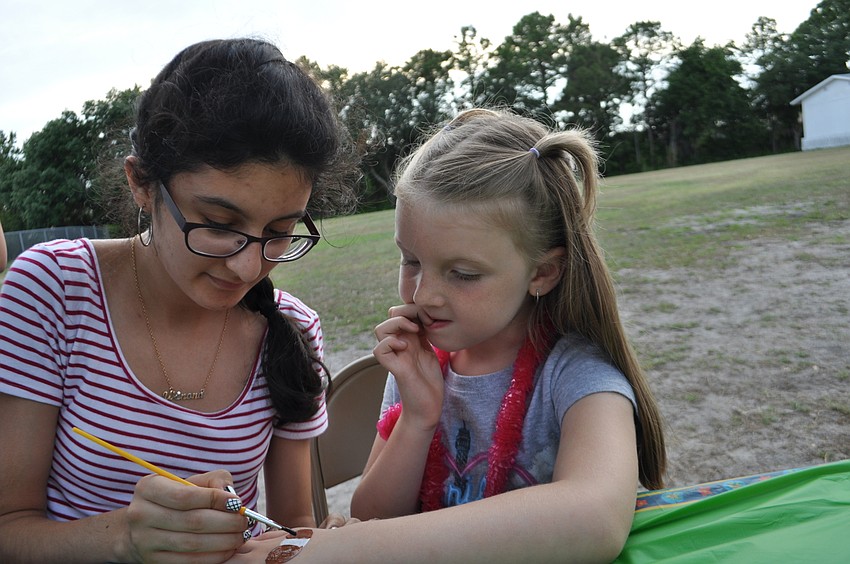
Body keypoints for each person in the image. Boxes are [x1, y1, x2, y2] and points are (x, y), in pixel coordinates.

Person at [230, 107, 667, 562]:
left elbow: (595, 518)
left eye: (461, 273)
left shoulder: (577, 375)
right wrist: (418, 417)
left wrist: (339, 551)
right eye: (411, 260)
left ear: (544, 272)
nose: (424, 294)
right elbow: (374, 512)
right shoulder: (416, 365)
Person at [0, 37, 358, 563]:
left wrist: (312, 542)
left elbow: (293, 527)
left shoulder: (293, 328)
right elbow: (9, 529)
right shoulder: (54, 288)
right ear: (142, 184)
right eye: (217, 224)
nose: (247, 266)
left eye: (280, 231)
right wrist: (125, 539)